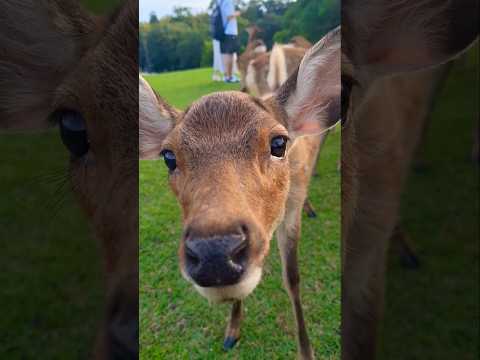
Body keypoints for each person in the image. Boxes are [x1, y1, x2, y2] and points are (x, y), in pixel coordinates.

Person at [217, 0, 240, 83]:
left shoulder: (221, 1)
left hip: (223, 32)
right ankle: (229, 77)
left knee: (225, 54)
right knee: (229, 54)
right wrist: (237, 13)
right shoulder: (228, 1)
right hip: (230, 31)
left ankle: (227, 76)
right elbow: (229, 16)